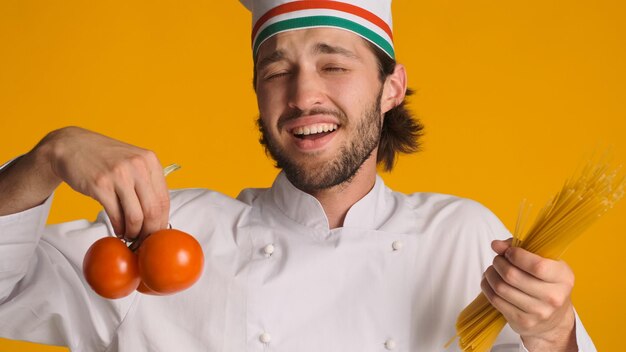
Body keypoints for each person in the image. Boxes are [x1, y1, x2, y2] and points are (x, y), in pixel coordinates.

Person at [0, 0, 596, 351]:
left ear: (392, 87)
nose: (303, 94)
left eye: (333, 64)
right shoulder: (164, 234)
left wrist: (555, 334)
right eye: (276, 70)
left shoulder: (462, 238)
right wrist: (48, 155)